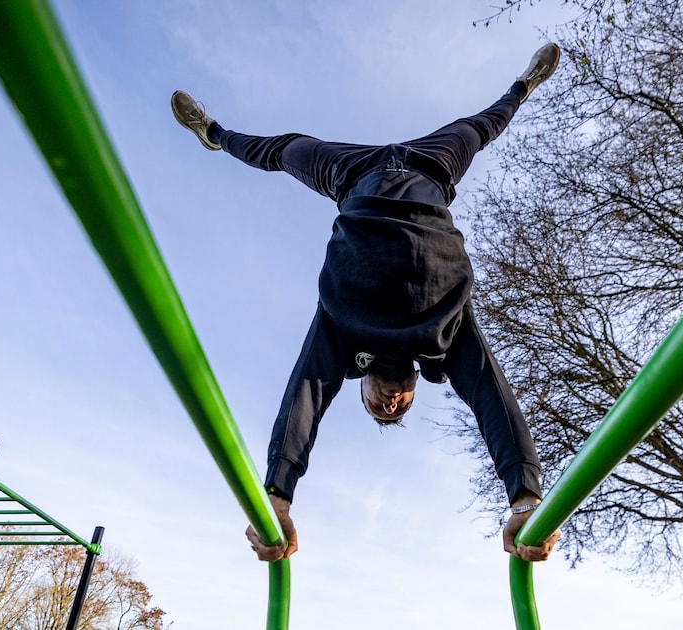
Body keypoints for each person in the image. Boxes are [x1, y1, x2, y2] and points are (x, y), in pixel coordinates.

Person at [171, 44, 564, 564]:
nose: (390, 404)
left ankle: (215, 135)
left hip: (351, 177)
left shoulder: (344, 333)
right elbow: (493, 395)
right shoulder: (445, 341)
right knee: (480, 127)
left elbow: (305, 394)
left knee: (289, 148)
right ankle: (521, 88)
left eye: (377, 407)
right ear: (413, 389)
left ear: (361, 384)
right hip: (433, 170)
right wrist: (526, 496)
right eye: (397, 408)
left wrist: (277, 496)